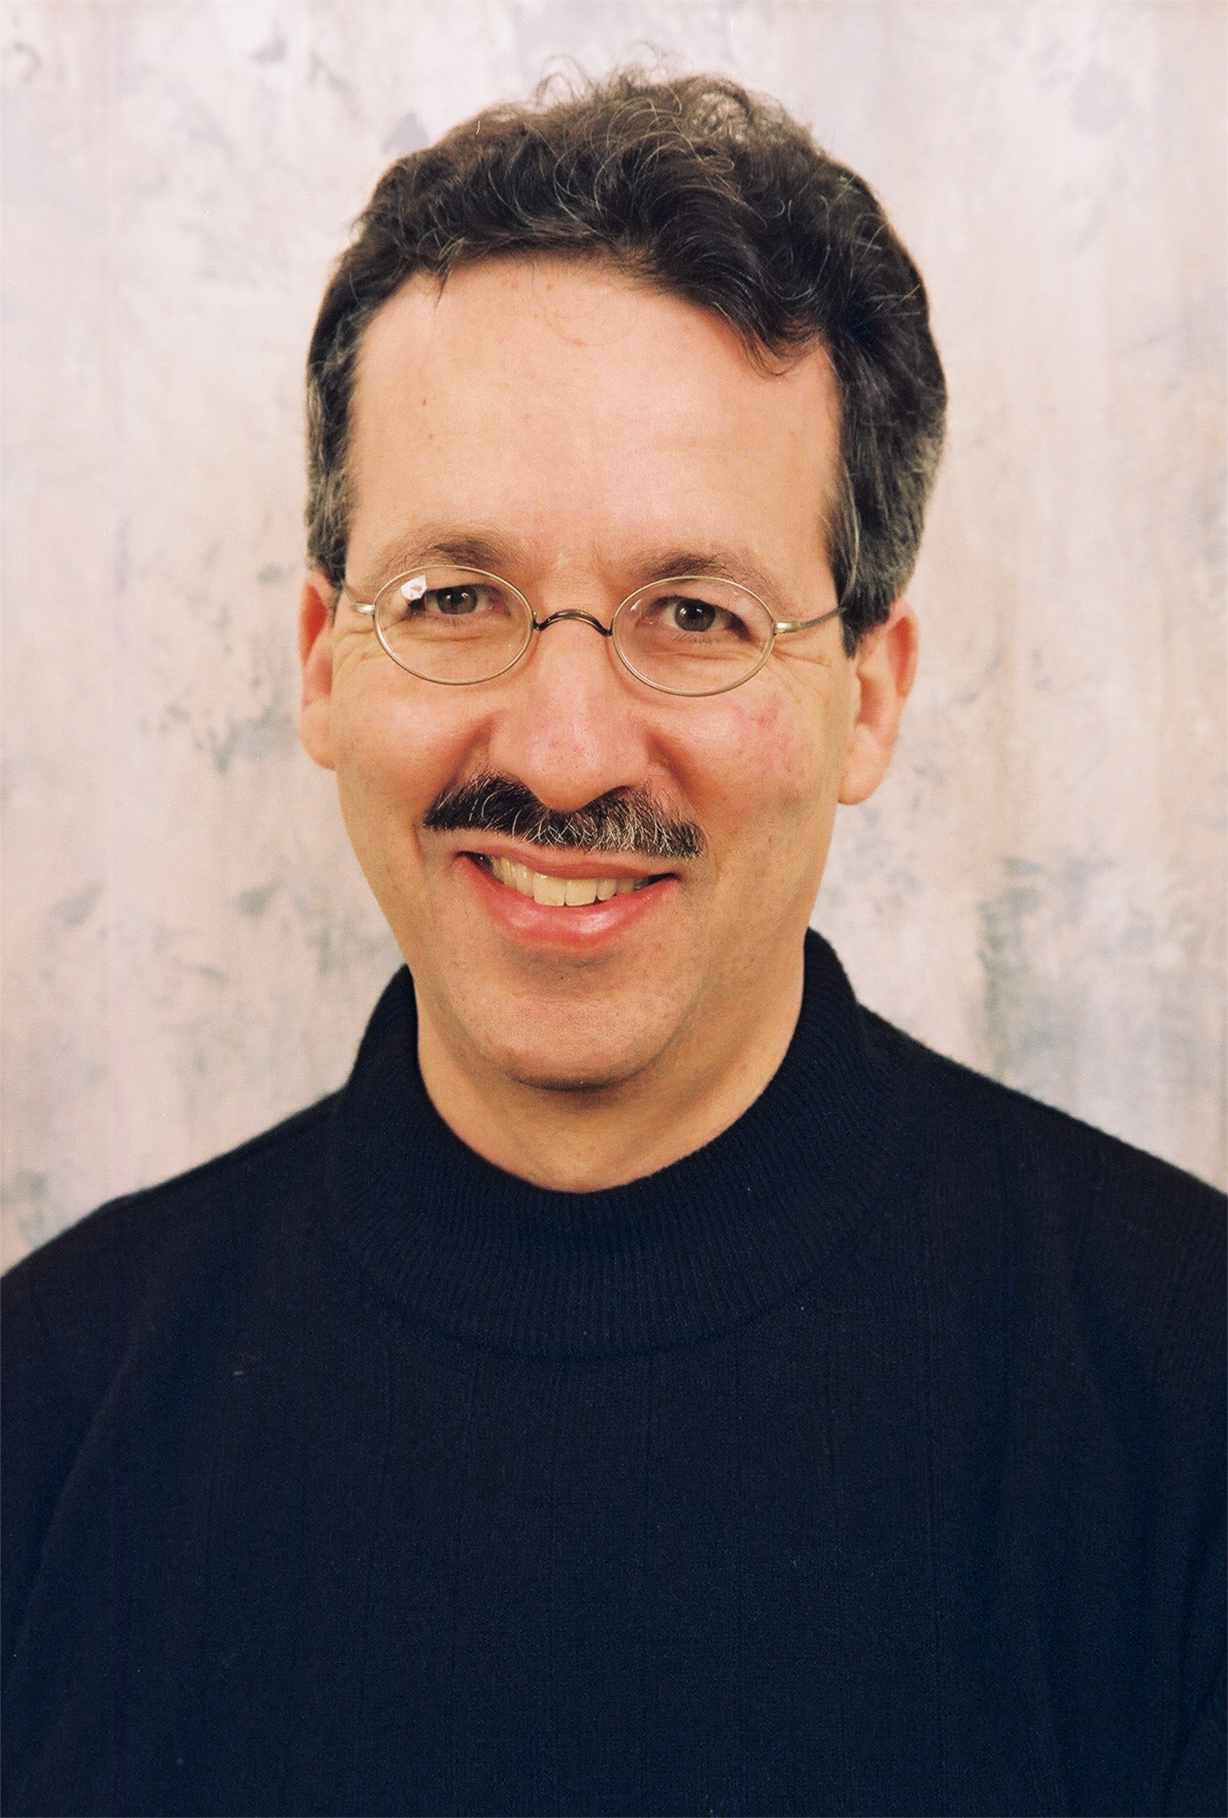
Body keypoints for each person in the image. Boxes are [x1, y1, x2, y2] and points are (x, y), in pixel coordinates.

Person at [3, 68, 1223, 1818]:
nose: (567, 752)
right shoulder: (49, 1412)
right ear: (323, 661)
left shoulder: (1185, 1400)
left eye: (695, 614)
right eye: (455, 598)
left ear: (872, 695)